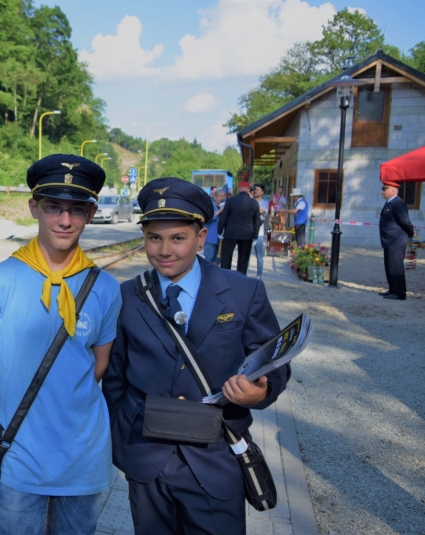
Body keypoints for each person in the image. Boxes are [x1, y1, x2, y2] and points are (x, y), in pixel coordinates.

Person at [102, 177, 290, 535]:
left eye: (178, 238)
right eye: (154, 238)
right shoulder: (127, 296)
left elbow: (274, 362)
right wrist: (124, 449)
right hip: (147, 459)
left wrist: (261, 392)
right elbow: (115, 378)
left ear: (201, 237)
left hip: (215, 457)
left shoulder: (243, 292)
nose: (164, 250)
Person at [0, 154, 122, 535]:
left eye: (77, 209)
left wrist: (63, 404)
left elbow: (100, 362)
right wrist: (19, 411)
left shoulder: (104, 287)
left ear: (91, 213)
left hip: (83, 452)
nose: (65, 220)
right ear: (34, 207)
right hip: (19, 450)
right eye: (53, 207)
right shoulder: (3, 278)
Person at [379, 181, 414, 300]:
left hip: (396, 241)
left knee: (396, 267)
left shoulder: (398, 203)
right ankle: (393, 289)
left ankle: (400, 292)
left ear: (393, 190)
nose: (382, 191)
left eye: (384, 189)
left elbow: (405, 221)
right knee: (389, 266)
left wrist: (410, 233)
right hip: (389, 240)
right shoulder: (389, 203)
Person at [218, 181, 259, 274]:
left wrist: (220, 231)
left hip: (231, 233)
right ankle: (241, 277)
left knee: (226, 259)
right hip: (247, 234)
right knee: (243, 260)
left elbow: (223, 217)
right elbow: (256, 220)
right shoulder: (254, 203)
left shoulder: (230, 200)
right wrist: (255, 236)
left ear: (238, 189)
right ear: (248, 190)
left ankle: (225, 277)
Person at [203, 187, 226, 265]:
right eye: (220, 196)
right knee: (209, 259)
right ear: (215, 197)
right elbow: (208, 218)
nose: (222, 198)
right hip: (211, 238)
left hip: (221, 238)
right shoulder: (210, 206)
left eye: (223, 196)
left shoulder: (226, 206)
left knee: (217, 260)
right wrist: (220, 210)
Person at [252, 184, 270, 278]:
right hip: (248, 231)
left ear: (262, 192)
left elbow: (260, 210)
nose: (255, 191)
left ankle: (259, 275)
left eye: (258, 190)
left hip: (259, 233)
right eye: (254, 189)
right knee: (245, 254)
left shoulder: (265, 203)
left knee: (259, 255)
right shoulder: (250, 201)